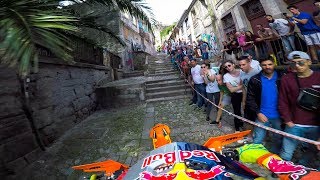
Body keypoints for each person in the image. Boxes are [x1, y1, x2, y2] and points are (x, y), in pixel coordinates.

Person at [279, 51, 320, 166]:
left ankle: (302, 166)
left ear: (309, 62)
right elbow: (283, 101)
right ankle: (283, 168)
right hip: (294, 123)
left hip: (315, 125)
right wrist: (287, 120)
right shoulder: (287, 79)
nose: (297, 66)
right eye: (293, 64)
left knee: (312, 150)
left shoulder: (318, 77)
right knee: (287, 149)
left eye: (301, 63)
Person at [246, 57, 283, 154]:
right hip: (262, 115)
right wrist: (258, 113)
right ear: (260, 66)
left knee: (278, 138)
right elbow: (250, 98)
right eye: (264, 65)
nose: (267, 67)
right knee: (258, 138)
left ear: (274, 64)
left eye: (270, 64)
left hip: (278, 115)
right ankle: (256, 156)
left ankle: (275, 157)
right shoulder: (255, 79)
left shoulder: (281, 77)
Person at [222, 60, 243, 132]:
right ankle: (237, 128)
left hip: (245, 93)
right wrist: (241, 86)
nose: (227, 67)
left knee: (247, 110)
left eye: (229, 65)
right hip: (235, 95)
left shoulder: (241, 72)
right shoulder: (226, 76)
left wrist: (236, 88)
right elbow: (231, 90)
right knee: (237, 112)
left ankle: (246, 125)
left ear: (233, 65)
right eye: (226, 67)